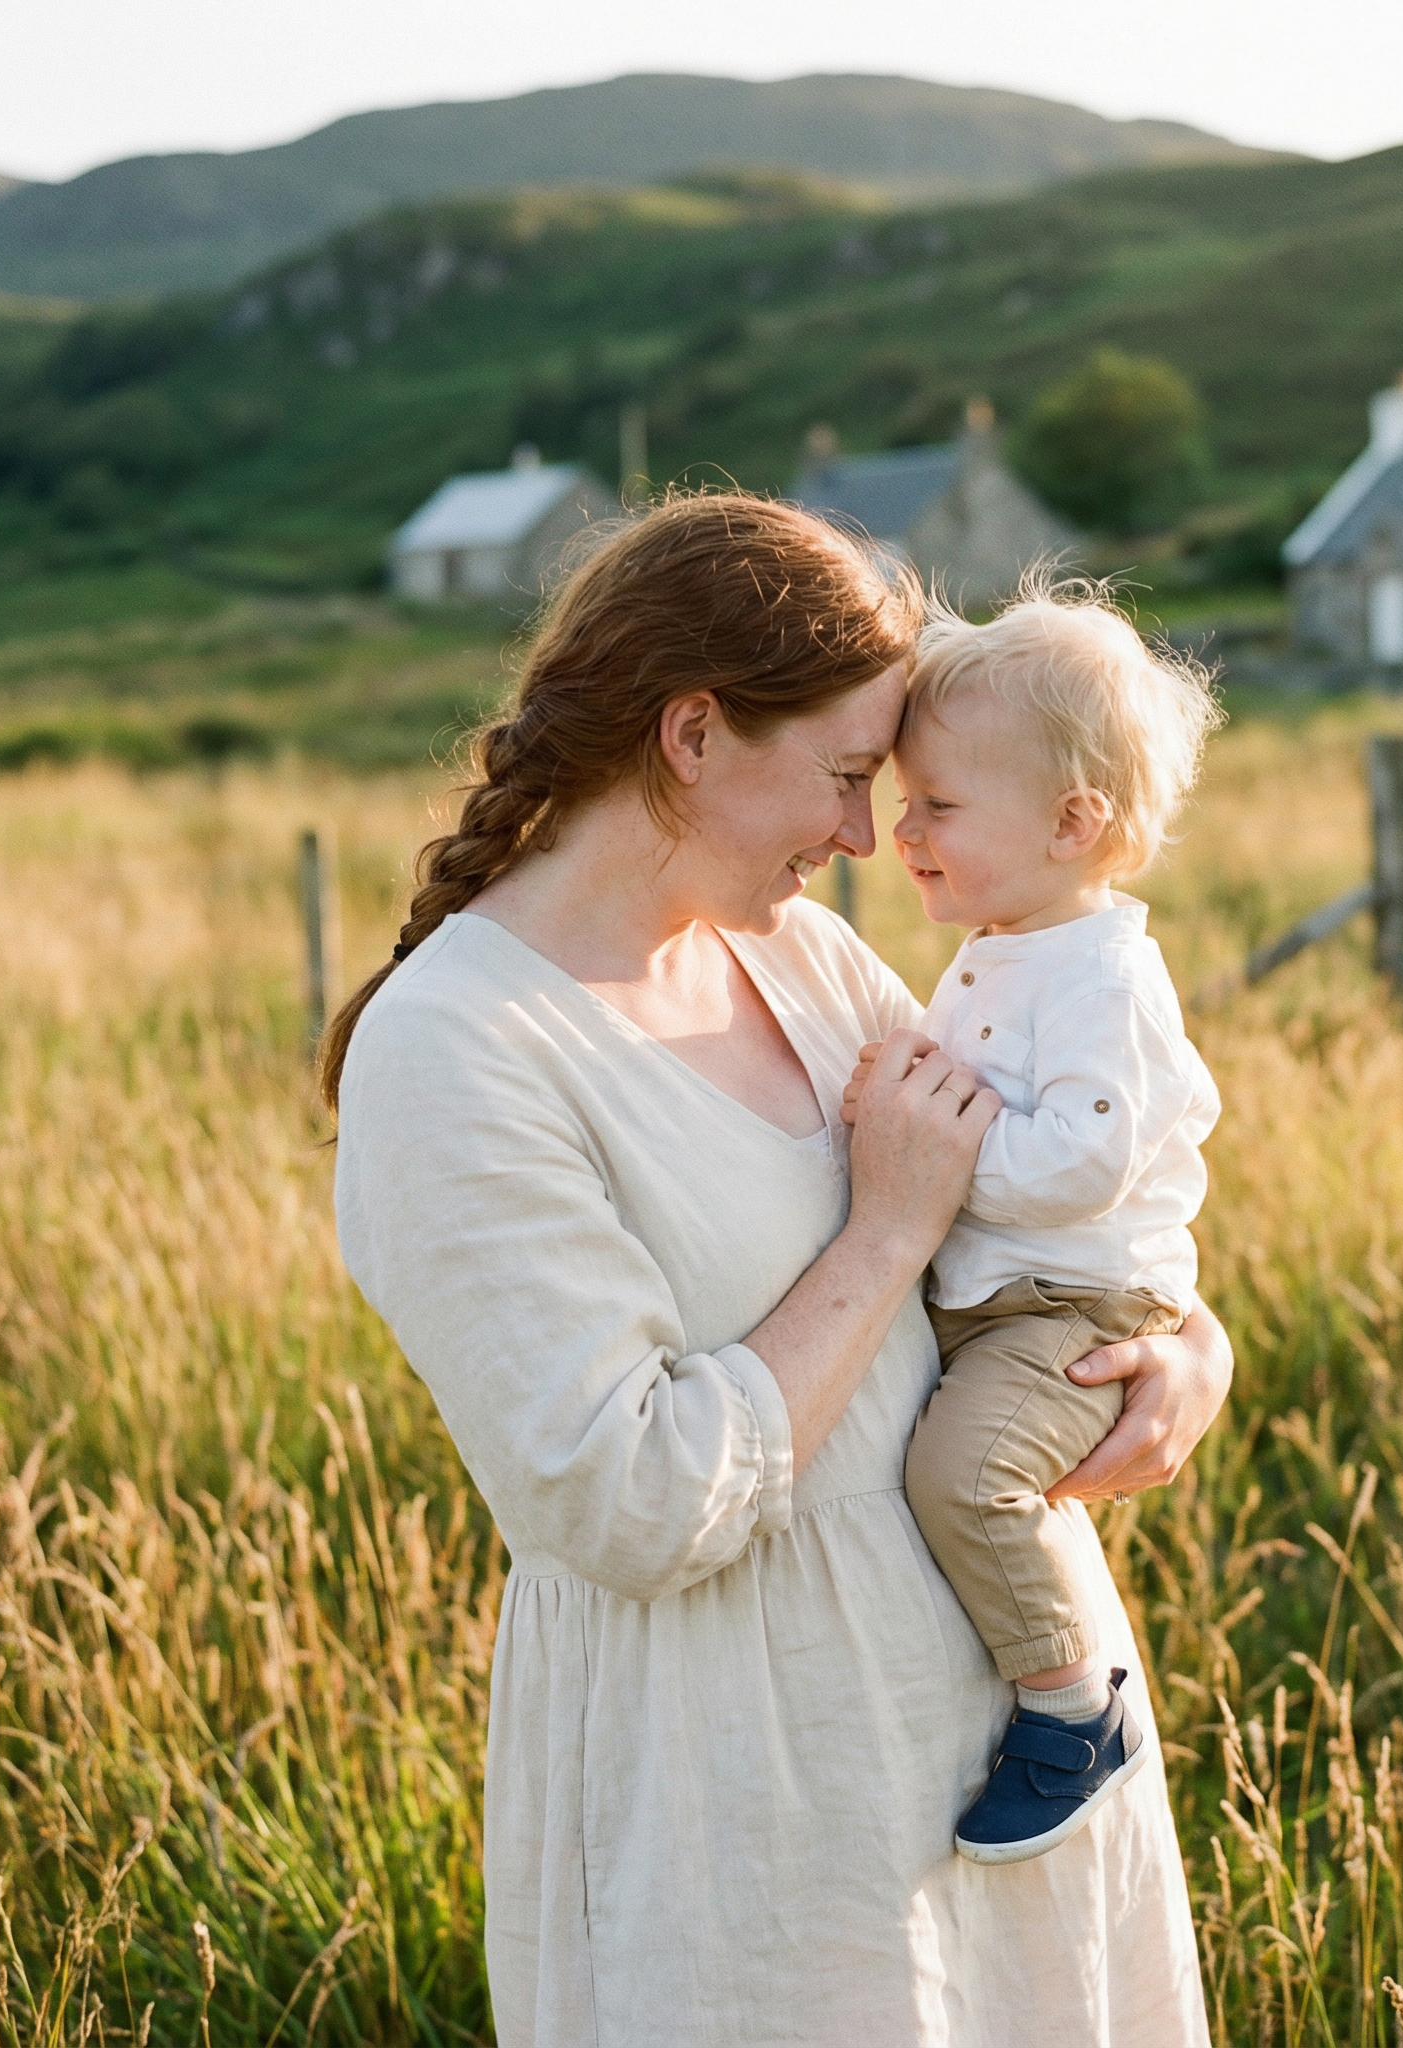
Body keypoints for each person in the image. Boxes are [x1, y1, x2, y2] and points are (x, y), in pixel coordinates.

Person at [318, 494, 1230, 2046]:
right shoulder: (459, 1051)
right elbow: (630, 1499)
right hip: (745, 1788)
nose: (870, 838)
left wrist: (1186, 1337)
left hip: (1007, 1747)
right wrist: (882, 1233)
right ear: (692, 737)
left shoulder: (803, 959)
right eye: (849, 776)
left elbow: (1050, 1199)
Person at [841, 585, 1222, 1867]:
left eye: (938, 805)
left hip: (1066, 1308)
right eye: (904, 800)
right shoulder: (1010, 944)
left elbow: (1080, 1164)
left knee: (963, 1474)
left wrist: (929, 1155)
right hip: (1007, 1294)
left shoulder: (1101, 976)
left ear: (1073, 822)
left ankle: (1071, 1706)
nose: (902, 831)